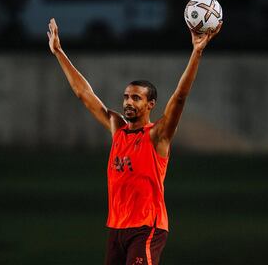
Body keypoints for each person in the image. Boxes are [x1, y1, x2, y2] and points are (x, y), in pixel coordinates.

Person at [47, 18, 222, 265]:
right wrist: (59, 52)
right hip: (117, 228)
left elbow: (180, 97)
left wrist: (196, 52)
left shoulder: (157, 135)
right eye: (127, 97)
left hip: (146, 228)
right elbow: (84, 94)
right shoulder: (117, 128)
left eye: (136, 98)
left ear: (150, 104)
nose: (129, 102)